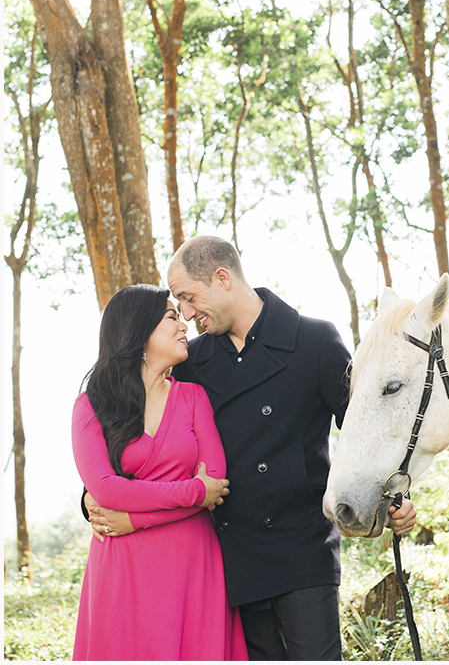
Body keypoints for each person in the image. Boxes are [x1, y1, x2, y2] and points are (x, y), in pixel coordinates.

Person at [87, 238, 416, 661]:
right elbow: (138, 429)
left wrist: (396, 498)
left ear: (222, 278)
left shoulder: (313, 341)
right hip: (232, 560)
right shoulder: (192, 361)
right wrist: (94, 494)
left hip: (303, 552)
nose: (186, 313)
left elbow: (367, 430)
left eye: (189, 297)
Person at [72, 283, 248, 661]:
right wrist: (193, 492)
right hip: (123, 569)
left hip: (192, 564)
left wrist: (134, 520)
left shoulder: (193, 397)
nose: (185, 324)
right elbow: (105, 490)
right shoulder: (92, 405)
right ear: (138, 332)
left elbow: (215, 486)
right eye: (171, 317)